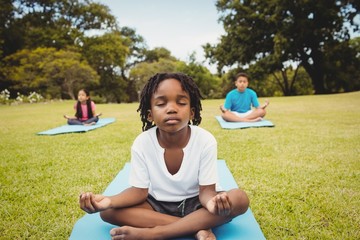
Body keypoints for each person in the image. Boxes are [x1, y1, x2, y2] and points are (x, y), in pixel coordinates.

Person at [79, 72, 249, 240]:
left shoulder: (205, 140)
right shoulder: (142, 142)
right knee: (108, 212)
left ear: (192, 112)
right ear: (150, 115)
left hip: (197, 203)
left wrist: (213, 204)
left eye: (181, 103)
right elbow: (138, 192)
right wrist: (108, 201)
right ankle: (197, 226)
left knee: (239, 199)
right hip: (157, 205)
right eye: (161, 104)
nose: (172, 109)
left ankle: (156, 233)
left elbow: (206, 191)